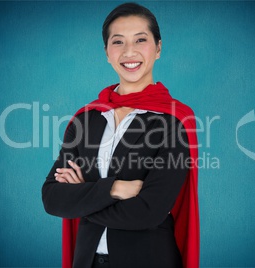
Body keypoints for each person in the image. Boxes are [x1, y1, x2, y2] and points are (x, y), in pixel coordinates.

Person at [42, 3, 200, 268]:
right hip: (87, 261)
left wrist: (82, 199)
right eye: (118, 42)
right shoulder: (86, 118)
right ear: (106, 52)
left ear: (158, 48)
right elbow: (52, 198)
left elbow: (149, 212)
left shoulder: (175, 121)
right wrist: (116, 188)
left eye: (141, 39)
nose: (129, 52)